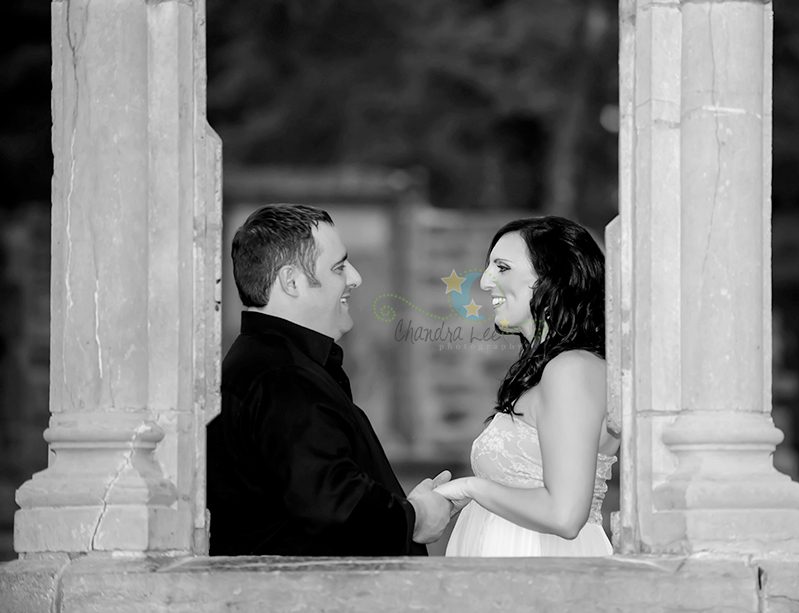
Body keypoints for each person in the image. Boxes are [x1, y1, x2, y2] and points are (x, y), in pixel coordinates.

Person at [207, 204, 452, 556]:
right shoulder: (283, 379)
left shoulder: (265, 364)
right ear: (292, 282)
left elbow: (308, 494)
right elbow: (333, 506)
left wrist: (404, 504)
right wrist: (415, 517)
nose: (355, 277)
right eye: (338, 267)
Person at [435, 216, 619, 556]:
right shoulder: (553, 369)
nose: (486, 281)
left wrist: (472, 488)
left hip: (539, 563)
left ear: (553, 279)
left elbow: (565, 515)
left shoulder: (572, 370)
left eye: (502, 267)